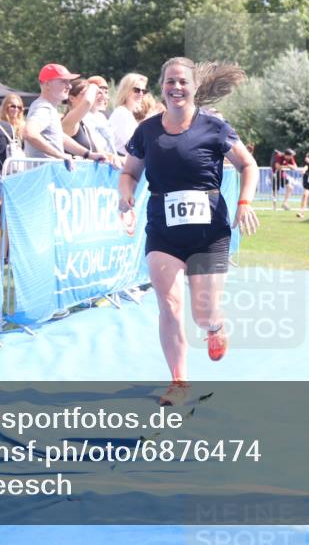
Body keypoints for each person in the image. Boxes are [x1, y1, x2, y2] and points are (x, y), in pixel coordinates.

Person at [117, 57, 258, 405]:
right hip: (163, 231)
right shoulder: (147, 131)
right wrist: (125, 195)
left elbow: (247, 164)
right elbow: (130, 172)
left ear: (195, 87)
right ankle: (179, 381)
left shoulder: (214, 127)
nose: (176, 87)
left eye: (183, 82)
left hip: (209, 234)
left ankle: (215, 327)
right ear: (162, 87)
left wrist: (244, 202)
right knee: (169, 305)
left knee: (203, 313)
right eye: (170, 81)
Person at [24, 63, 107, 165]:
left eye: (69, 82)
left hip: (47, 171)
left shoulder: (49, 108)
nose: (69, 86)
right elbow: (29, 133)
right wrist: (60, 155)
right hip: (44, 173)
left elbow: (61, 137)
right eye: (63, 81)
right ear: (47, 84)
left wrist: (88, 154)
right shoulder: (44, 108)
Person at [109, 73, 147, 155]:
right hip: (120, 160)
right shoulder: (122, 113)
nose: (141, 94)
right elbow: (132, 145)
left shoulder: (126, 113)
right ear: (126, 91)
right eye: (137, 90)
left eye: (143, 91)